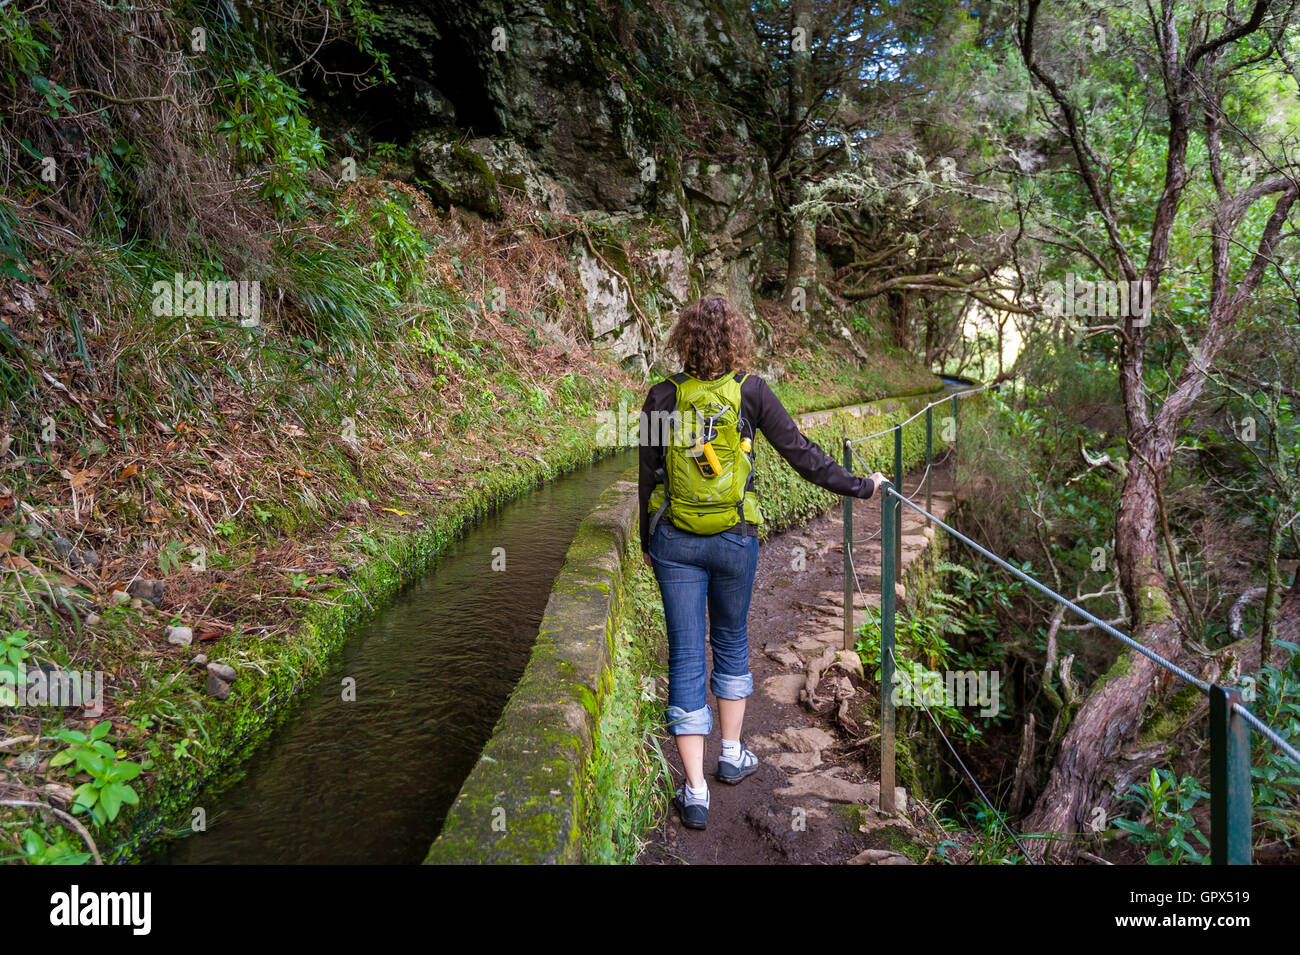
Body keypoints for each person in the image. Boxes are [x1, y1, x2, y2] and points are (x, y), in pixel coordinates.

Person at [638, 295, 887, 830]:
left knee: (685, 655)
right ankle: (731, 754)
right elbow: (803, 454)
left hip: (674, 543)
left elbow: (647, 478)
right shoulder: (751, 391)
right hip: (734, 539)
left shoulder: (661, 397)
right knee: (730, 640)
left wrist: (648, 540)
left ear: (684, 337)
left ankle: (696, 790)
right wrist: (862, 487)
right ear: (736, 339)